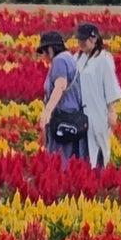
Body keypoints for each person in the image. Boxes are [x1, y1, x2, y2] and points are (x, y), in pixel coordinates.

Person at [73, 21, 121, 168]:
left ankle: (98, 180)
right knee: (81, 150)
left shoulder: (104, 59)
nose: (80, 43)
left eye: (84, 39)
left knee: (98, 148)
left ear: (94, 39)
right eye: (79, 39)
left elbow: (110, 86)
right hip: (79, 113)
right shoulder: (77, 58)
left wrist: (111, 111)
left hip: (98, 112)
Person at [36, 29, 86, 163]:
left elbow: (61, 86)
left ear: (51, 48)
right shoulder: (70, 58)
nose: (44, 56)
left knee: (59, 160)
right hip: (73, 118)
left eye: (45, 51)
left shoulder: (59, 60)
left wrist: (47, 112)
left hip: (62, 118)